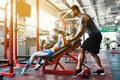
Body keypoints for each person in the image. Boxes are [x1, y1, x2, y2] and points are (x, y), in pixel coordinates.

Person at [68, 5, 105, 77]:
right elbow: (80, 32)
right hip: (96, 35)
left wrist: (72, 39)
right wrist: (73, 36)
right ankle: (101, 70)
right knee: (93, 53)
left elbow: (81, 31)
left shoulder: (83, 17)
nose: (71, 14)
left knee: (82, 49)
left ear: (75, 10)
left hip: (95, 35)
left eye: (71, 12)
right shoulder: (81, 18)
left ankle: (78, 70)